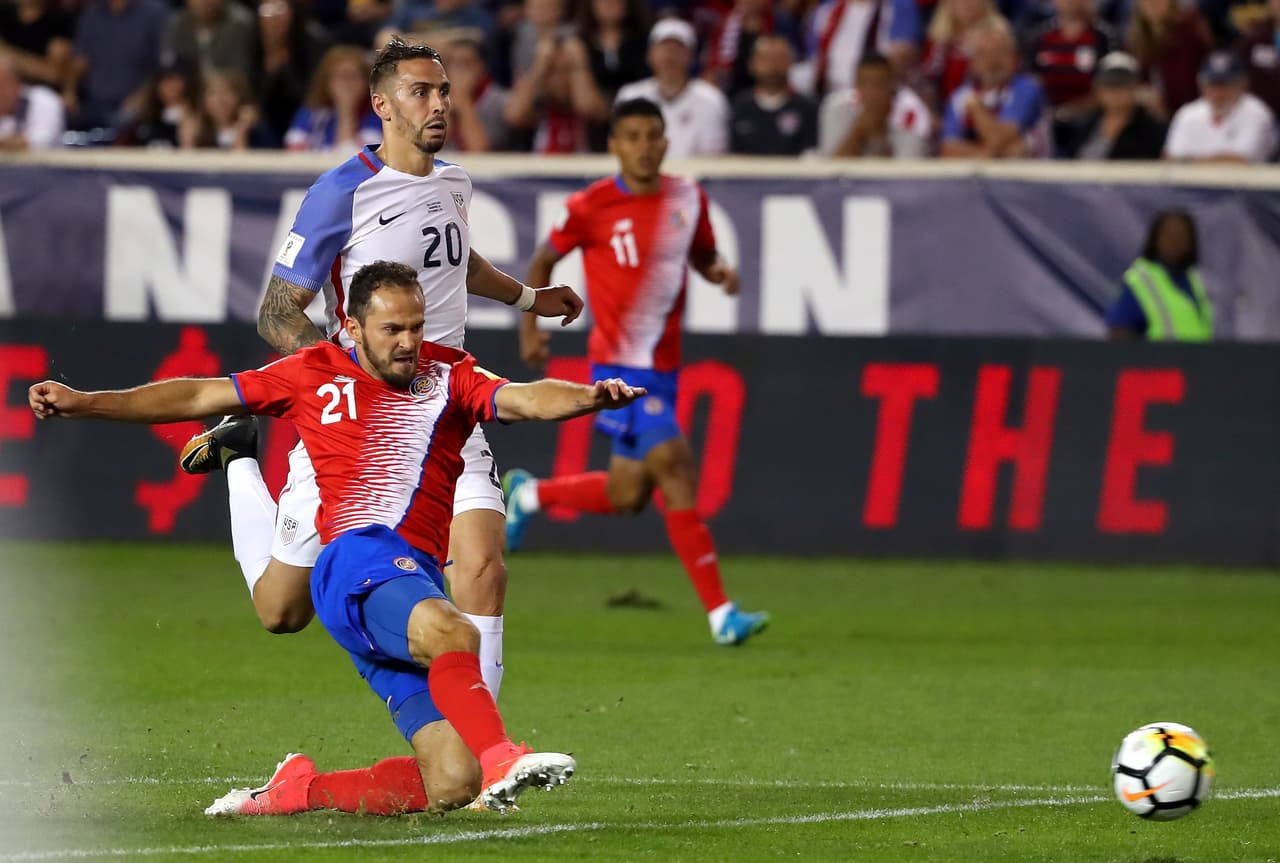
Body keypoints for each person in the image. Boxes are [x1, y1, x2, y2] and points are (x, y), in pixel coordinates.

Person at [28, 261, 642, 816]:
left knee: (453, 780)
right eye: (392, 329)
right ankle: (505, 756)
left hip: (404, 583)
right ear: (351, 325)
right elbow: (195, 393)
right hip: (354, 562)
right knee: (456, 631)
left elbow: (525, 399)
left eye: (416, 326)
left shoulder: (448, 373)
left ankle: (295, 793)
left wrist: (587, 397)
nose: (408, 342)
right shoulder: (312, 372)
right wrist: (86, 402)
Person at [180, 38, 584, 753]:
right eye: (422, 92)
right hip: (353, 426)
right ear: (382, 106)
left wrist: (528, 295)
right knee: (281, 612)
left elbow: (456, 256)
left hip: (447, 400)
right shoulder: (343, 190)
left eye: (444, 90)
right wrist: (337, 375)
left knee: (484, 568)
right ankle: (240, 458)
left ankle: (487, 759)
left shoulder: (455, 183)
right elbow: (278, 309)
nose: (439, 104)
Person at [505, 97, 770, 647]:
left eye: (653, 135)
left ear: (666, 142)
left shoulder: (687, 197)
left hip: (666, 366)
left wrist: (718, 271)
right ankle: (721, 614)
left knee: (628, 495)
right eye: (632, 136)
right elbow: (542, 261)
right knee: (674, 465)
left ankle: (531, 495)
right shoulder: (591, 205)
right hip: (618, 365)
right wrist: (532, 326)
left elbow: (699, 255)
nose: (644, 146)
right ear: (615, 145)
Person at [615, 17, 730, 157]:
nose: (670, 55)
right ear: (649, 55)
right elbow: (620, 152)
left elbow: (713, 161)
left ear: (691, 56)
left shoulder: (711, 100)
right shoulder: (630, 96)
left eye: (678, 48)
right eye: (663, 48)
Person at [940, 17, 1047, 158]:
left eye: (1000, 52)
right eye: (984, 54)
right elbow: (947, 151)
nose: (992, 61)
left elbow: (998, 138)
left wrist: (976, 109)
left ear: (1014, 57)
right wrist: (989, 154)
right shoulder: (960, 96)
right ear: (972, 62)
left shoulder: (1027, 89)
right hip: (972, 178)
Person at [1105, 208, 1213, 340]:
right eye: (1169, 236)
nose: (1175, 243)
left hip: (1197, 360)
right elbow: (1118, 333)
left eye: (1181, 236)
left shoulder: (1195, 280)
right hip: (1157, 360)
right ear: (1155, 240)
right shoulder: (1140, 281)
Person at [503, 32, 610, 152]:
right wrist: (539, 66)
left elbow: (587, 107)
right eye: (552, 71)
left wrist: (579, 63)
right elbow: (514, 115)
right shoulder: (538, 107)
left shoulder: (593, 99)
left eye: (567, 70)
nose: (560, 79)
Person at [1164, 51, 1277, 163]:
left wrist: (1189, 161)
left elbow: (1241, 161)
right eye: (1212, 84)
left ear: (1243, 84)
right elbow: (1169, 158)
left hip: (1246, 181)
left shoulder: (1257, 112)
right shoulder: (1188, 113)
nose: (1218, 93)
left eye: (1225, 85)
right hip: (1187, 181)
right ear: (1201, 84)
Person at [818, 50, 929, 157]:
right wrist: (858, 132)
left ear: (893, 86)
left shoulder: (913, 113)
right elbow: (829, 167)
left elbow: (907, 173)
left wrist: (879, 138)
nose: (871, 92)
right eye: (864, 83)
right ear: (855, 85)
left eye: (879, 84)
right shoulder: (837, 106)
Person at [1060, 51, 1166, 160]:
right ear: (1098, 90)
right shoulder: (1084, 123)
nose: (1115, 94)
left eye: (1122, 87)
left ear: (1135, 88)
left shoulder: (1152, 130)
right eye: (1109, 87)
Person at [729, 33, 818, 155]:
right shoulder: (739, 106)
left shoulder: (808, 108)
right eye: (765, 59)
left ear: (791, 62)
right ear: (751, 65)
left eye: (779, 59)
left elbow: (812, 156)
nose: (772, 65)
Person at [284, 45, 382, 152]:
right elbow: (294, 153)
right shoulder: (310, 113)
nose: (346, 84)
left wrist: (346, 111)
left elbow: (353, 158)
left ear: (366, 82)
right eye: (340, 76)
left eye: (352, 76)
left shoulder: (378, 116)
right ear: (326, 81)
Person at [1126, 0, 1212, 117]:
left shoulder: (1190, 30)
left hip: (1193, 113)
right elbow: (1134, 81)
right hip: (1155, 116)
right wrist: (1140, 93)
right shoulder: (1135, 39)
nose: (1152, 3)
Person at [178, 68, 279, 149]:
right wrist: (187, 140)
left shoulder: (257, 133)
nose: (220, 100)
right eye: (213, 93)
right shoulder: (199, 135)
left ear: (240, 97)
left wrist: (242, 132)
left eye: (227, 92)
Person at [161, 0, 257, 84]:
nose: (204, 1)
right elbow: (170, 68)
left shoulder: (239, 25)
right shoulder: (177, 24)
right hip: (190, 95)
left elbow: (240, 75)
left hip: (227, 95)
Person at [0, 53, 63, 149]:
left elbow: (43, 140)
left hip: (49, 162)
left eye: (2, 86)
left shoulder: (45, 99)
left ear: (15, 84)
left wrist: (8, 143)